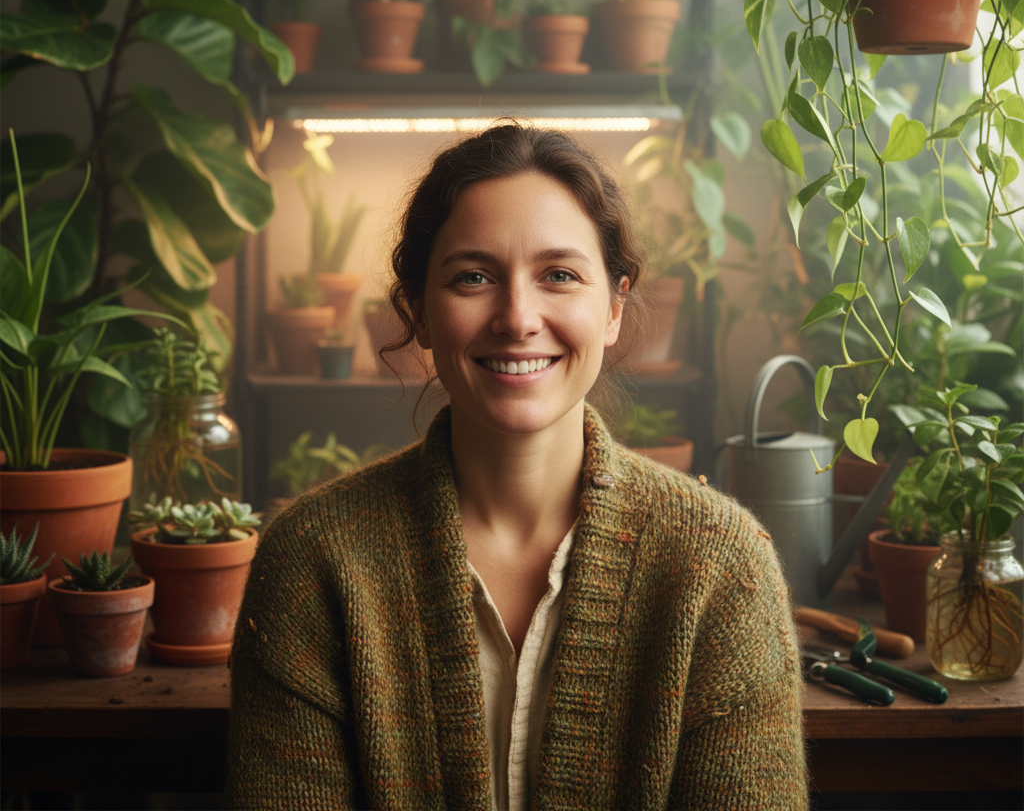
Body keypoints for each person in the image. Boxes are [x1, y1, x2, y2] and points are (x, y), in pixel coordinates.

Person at [227, 123, 808, 810]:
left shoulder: (720, 568)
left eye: (559, 275)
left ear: (616, 305)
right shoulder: (314, 564)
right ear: (415, 310)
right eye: (473, 277)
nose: (518, 317)